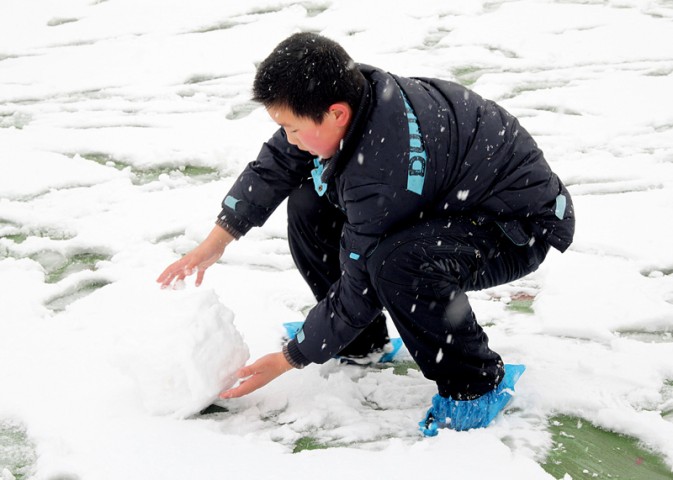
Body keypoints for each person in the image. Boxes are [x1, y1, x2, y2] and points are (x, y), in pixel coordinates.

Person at [156, 32, 574, 434]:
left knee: (398, 264)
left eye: (294, 128)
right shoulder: (353, 94)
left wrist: (290, 358)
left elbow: (360, 284)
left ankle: (476, 383)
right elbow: (277, 162)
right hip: (453, 203)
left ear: (337, 113)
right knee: (309, 200)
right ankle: (361, 343)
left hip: (517, 227)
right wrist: (218, 238)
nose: (289, 138)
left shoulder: (382, 173)